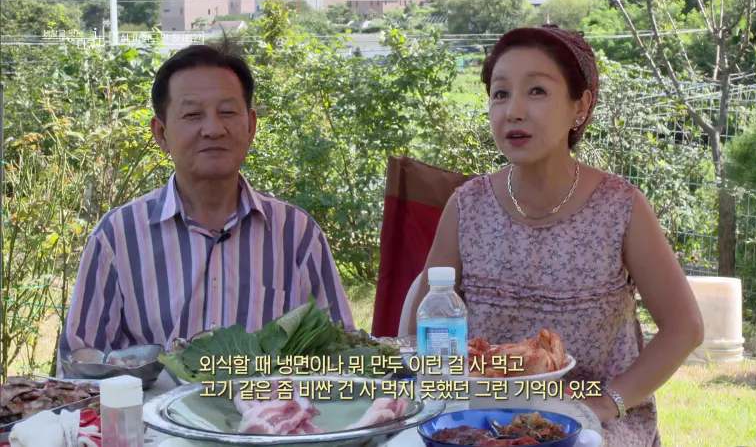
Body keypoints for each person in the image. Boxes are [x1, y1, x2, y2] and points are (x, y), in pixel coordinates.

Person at [406, 26, 704, 446]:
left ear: (580, 106)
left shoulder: (621, 207)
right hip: (483, 414)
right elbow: (422, 325)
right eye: (500, 94)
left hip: (591, 418)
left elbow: (684, 327)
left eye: (537, 91)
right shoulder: (467, 206)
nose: (513, 111)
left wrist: (609, 402)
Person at [59, 41, 354, 358]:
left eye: (227, 112)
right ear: (161, 133)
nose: (213, 129)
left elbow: (342, 352)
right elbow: (79, 360)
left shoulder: (296, 234)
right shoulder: (118, 237)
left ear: (251, 126)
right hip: (153, 394)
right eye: (192, 114)